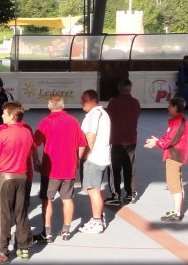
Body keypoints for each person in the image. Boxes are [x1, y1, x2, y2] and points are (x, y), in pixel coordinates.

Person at [0, 101, 35, 263]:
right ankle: (24, 248)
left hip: (6, 176)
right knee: (21, 213)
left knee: (3, 214)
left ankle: (2, 252)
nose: (2, 115)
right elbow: (29, 152)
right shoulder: (27, 133)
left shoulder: (4, 133)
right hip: (22, 176)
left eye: (4, 113)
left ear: (12, 116)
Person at [33, 95, 86, 242]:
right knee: (67, 199)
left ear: (49, 107)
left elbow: (34, 143)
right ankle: (66, 231)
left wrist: (35, 160)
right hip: (69, 168)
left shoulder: (46, 122)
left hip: (50, 169)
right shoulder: (73, 121)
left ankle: (47, 233)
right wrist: (76, 160)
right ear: (63, 106)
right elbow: (82, 144)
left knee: (47, 200)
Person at [144, 96, 188, 222]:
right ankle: (178, 210)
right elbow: (168, 137)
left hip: (174, 156)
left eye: (170, 105)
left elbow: (171, 139)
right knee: (177, 183)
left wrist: (157, 143)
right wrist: (158, 141)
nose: (168, 108)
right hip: (175, 155)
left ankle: (176, 212)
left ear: (175, 107)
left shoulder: (178, 121)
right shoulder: (177, 121)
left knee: (174, 184)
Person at [78, 89, 112, 235]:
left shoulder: (94, 115)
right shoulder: (102, 113)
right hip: (101, 156)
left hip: (94, 158)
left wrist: (83, 156)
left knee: (93, 190)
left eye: (84, 100)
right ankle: (99, 217)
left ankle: (97, 221)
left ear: (93, 101)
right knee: (95, 189)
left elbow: (90, 138)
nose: (82, 103)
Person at [104, 78, 141, 205]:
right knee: (129, 167)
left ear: (119, 89)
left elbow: (107, 118)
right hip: (131, 140)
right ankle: (131, 194)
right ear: (130, 88)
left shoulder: (114, 103)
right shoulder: (135, 102)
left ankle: (115, 195)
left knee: (114, 169)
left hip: (116, 140)